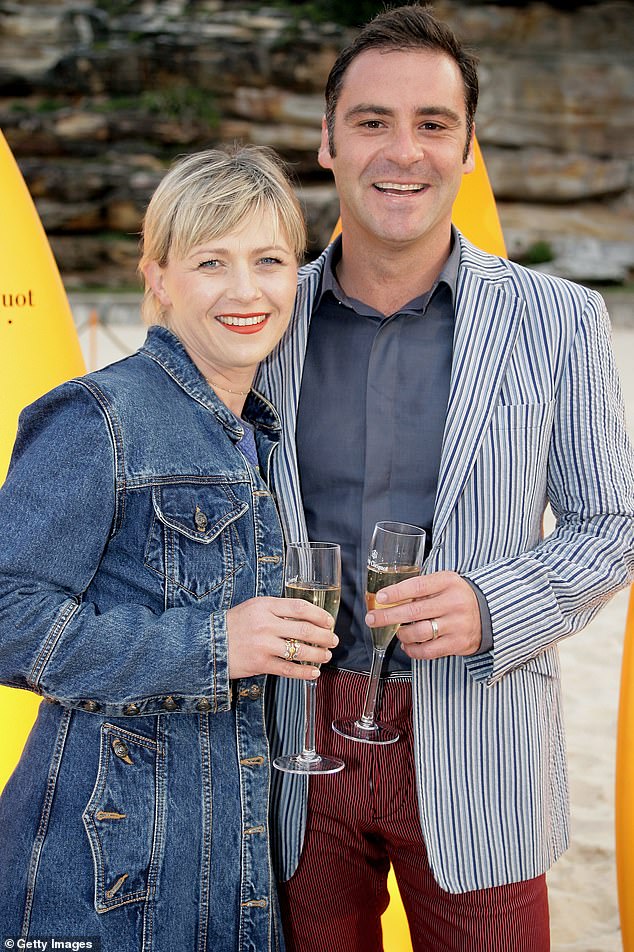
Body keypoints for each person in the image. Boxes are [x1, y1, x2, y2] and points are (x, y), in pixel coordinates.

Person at [258, 5, 634, 951]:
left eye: (433, 124)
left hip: (482, 739)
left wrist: (494, 603)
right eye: (373, 121)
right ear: (328, 142)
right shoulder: (259, 322)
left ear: (469, 149)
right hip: (291, 751)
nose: (404, 151)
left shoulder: (562, 320)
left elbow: (614, 522)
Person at [0, 145, 338, 951]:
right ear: (158, 276)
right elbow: (9, 617)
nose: (246, 290)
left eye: (269, 260)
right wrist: (219, 643)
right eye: (211, 262)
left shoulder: (258, 431)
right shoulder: (98, 418)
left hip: (229, 873)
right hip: (103, 888)